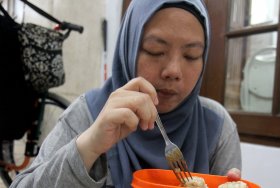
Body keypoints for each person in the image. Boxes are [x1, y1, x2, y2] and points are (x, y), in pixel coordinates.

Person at [10, 0, 242, 187]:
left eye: (191, 55)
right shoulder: (90, 113)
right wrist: (89, 146)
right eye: (155, 51)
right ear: (129, 48)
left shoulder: (217, 126)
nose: (173, 71)